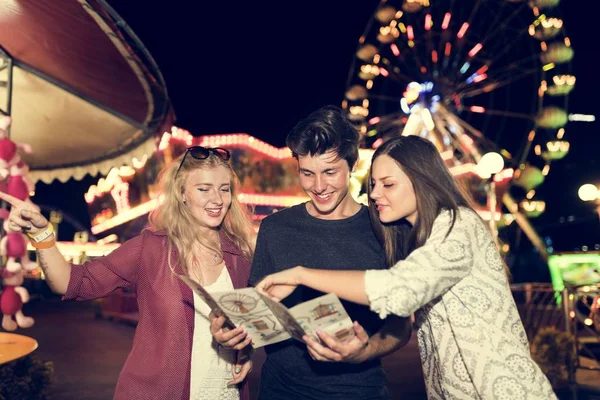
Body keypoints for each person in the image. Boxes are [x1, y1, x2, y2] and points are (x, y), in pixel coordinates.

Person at [256, 135, 557, 399]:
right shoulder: (419, 240)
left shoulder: (459, 226)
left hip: (501, 390)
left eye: (388, 184)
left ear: (423, 181)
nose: (374, 194)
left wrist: (300, 274)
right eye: (374, 184)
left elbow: (397, 290)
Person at [0, 146, 257, 400]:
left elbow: (245, 326)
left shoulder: (241, 256)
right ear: (182, 194)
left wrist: (244, 354)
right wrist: (42, 235)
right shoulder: (151, 249)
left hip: (225, 392)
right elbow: (71, 283)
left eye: (224, 189)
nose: (217, 199)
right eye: (204, 189)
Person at [210, 105, 412, 400]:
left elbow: (401, 324)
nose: (318, 186)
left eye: (330, 172)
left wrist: (365, 350)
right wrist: (235, 335)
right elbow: (260, 311)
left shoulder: (385, 230)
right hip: (280, 390)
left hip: (359, 392)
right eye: (307, 173)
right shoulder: (275, 228)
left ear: (352, 165)